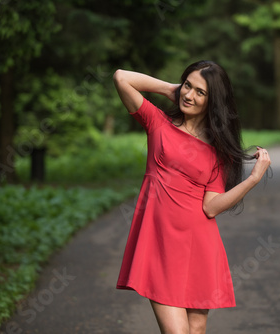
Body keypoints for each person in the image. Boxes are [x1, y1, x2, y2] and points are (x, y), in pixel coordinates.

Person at [113, 60, 271, 334]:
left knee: (196, 330)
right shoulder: (158, 122)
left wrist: (253, 179)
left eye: (201, 92)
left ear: (213, 102)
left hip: (198, 247)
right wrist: (170, 89)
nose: (189, 95)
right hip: (159, 244)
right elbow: (121, 78)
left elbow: (211, 207)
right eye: (188, 85)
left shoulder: (217, 150)